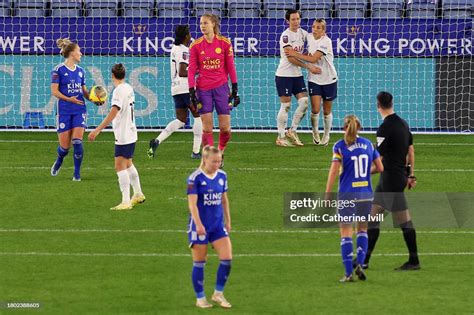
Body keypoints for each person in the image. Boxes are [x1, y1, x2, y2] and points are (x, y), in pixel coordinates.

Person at [363, 91, 420, 271]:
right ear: (392, 103)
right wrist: (410, 174)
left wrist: (364, 172)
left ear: (377, 105)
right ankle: (364, 260)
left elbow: (379, 159)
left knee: (401, 221)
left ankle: (414, 261)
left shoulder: (384, 128)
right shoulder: (403, 124)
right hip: (397, 177)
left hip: (391, 179)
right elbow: (411, 151)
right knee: (373, 219)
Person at [326, 115, 383, 282]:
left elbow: (334, 171)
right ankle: (360, 263)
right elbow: (380, 167)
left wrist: (328, 193)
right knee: (363, 231)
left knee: (345, 233)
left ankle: (348, 274)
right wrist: (366, 172)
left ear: (344, 128)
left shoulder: (340, 146)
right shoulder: (368, 144)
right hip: (366, 194)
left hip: (347, 195)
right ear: (359, 128)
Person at [88, 64, 145, 210]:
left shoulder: (118, 91)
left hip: (124, 134)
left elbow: (114, 112)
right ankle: (138, 193)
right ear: (124, 75)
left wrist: (97, 130)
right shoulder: (128, 88)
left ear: (112, 75)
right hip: (131, 131)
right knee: (128, 164)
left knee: (119, 166)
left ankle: (126, 201)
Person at [188, 14, 240, 167]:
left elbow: (231, 66)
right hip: (203, 90)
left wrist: (235, 88)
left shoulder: (225, 43)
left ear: (213, 24)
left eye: (205, 23)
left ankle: (220, 151)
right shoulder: (196, 46)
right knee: (207, 127)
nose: (202, 26)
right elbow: (191, 71)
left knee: (225, 128)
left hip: (221, 89)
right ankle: (211, 157)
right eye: (201, 23)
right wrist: (192, 91)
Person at [187, 146, 232, 308]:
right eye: (214, 161)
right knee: (199, 262)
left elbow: (224, 199)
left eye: (219, 161)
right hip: (200, 227)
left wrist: (228, 221)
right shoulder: (195, 178)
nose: (217, 164)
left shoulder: (222, 176)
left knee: (227, 259)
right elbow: (192, 204)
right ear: (205, 159)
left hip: (218, 226)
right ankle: (200, 298)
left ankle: (218, 293)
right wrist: (198, 224)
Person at [148, 25, 203, 159]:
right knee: (198, 116)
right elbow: (183, 71)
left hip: (176, 88)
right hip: (186, 88)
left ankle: (157, 140)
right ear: (186, 36)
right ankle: (196, 152)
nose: (191, 35)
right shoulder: (184, 50)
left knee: (181, 120)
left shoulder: (174, 49)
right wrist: (199, 70)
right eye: (189, 33)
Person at [50, 38, 99, 181]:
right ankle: (59, 160)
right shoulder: (58, 70)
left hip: (79, 110)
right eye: (79, 51)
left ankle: (76, 174)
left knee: (77, 141)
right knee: (64, 148)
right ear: (72, 53)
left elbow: (84, 91)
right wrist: (68, 98)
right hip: (64, 110)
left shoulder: (81, 71)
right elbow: (54, 91)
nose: (81, 53)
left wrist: (94, 99)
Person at [285, 18, 337, 146]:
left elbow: (313, 59)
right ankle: (315, 133)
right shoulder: (308, 37)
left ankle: (326, 134)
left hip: (329, 79)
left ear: (324, 30)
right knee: (315, 109)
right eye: (313, 27)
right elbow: (297, 35)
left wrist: (294, 53)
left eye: (318, 27)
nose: (315, 29)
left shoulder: (326, 41)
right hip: (314, 79)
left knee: (327, 111)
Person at [275, 9, 320, 147]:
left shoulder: (303, 33)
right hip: (284, 75)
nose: (296, 22)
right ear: (287, 21)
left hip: (297, 75)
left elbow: (314, 39)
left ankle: (292, 130)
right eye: (293, 19)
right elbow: (291, 58)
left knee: (305, 102)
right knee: (286, 106)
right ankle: (281, 136)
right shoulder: (285, 36)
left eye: (298, 19)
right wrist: (309, 66)